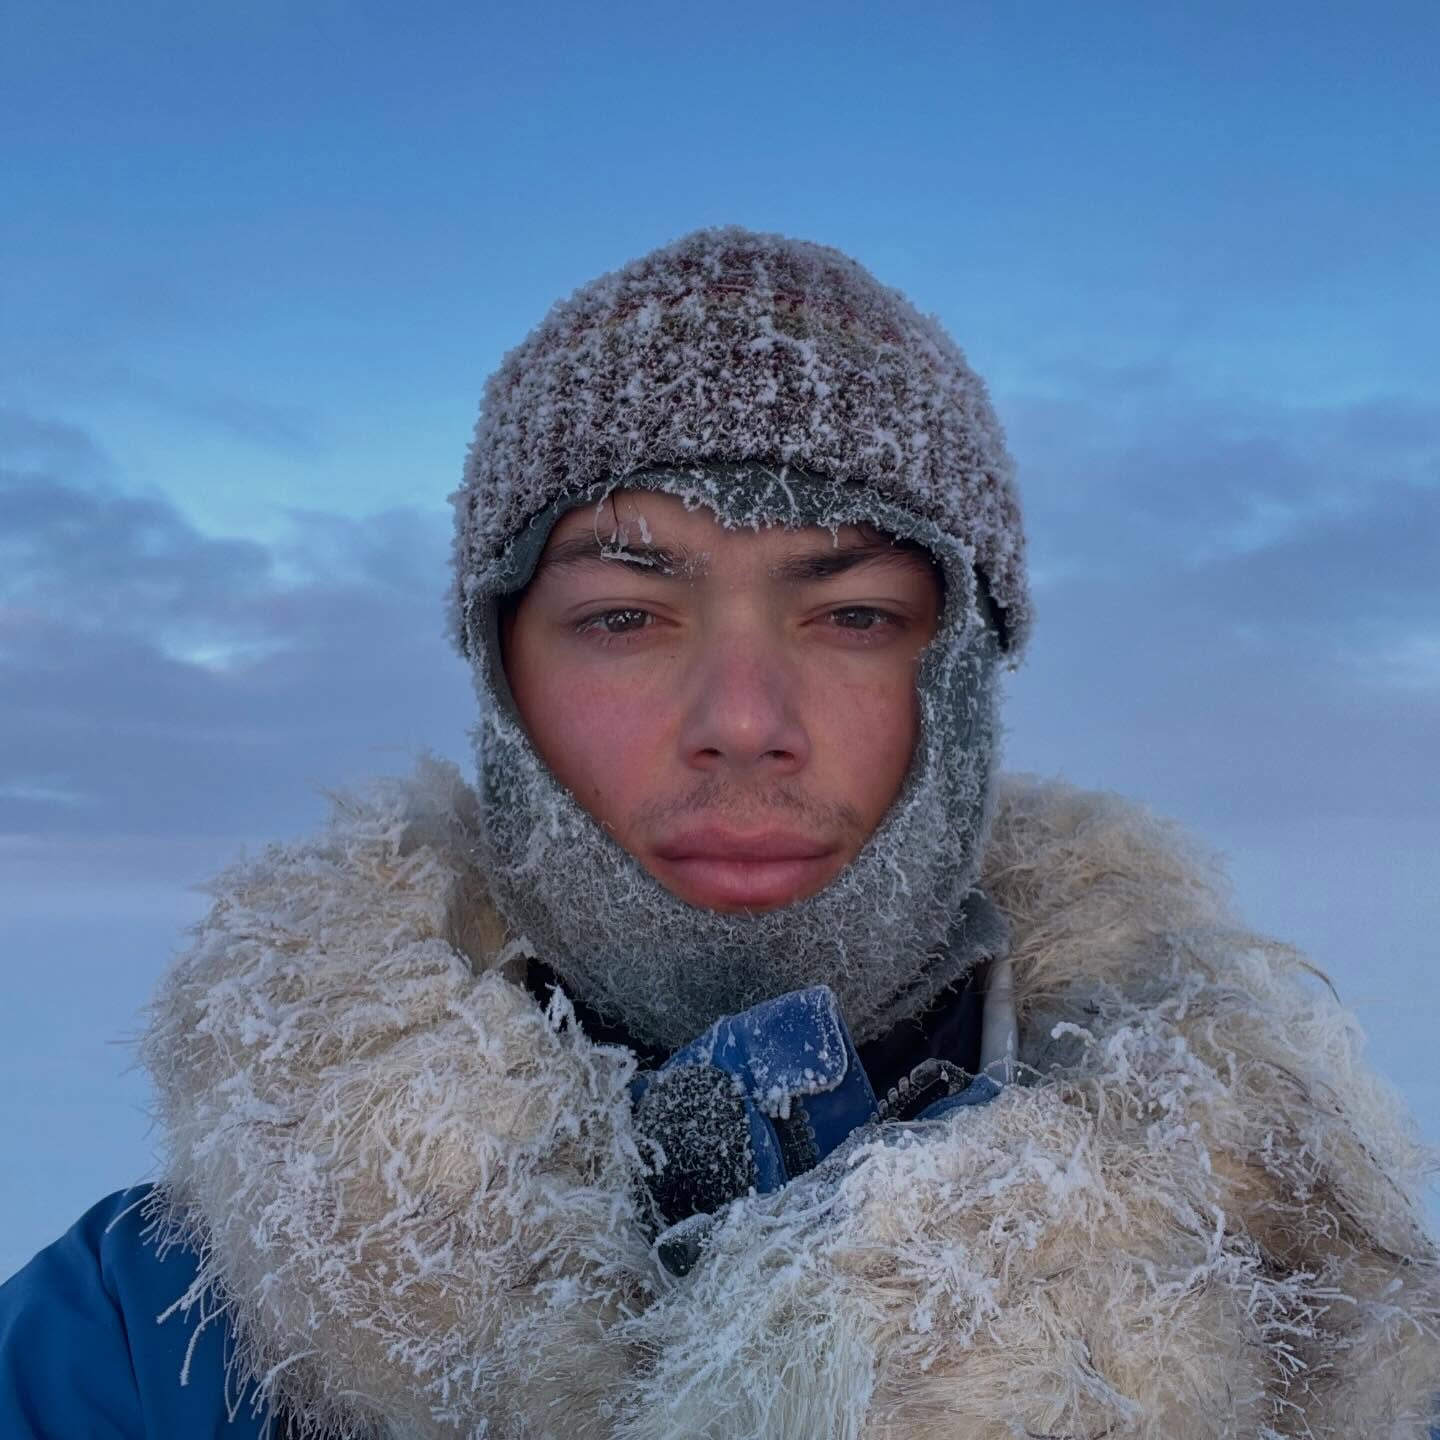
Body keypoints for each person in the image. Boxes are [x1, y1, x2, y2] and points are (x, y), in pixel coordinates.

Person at [2, 227, 1436, 1439]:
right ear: (504, 674)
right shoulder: (146, 1335)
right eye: (626, 617)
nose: (744, 718)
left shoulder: (1325, 1301)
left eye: (855, 616)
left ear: (966, 675)